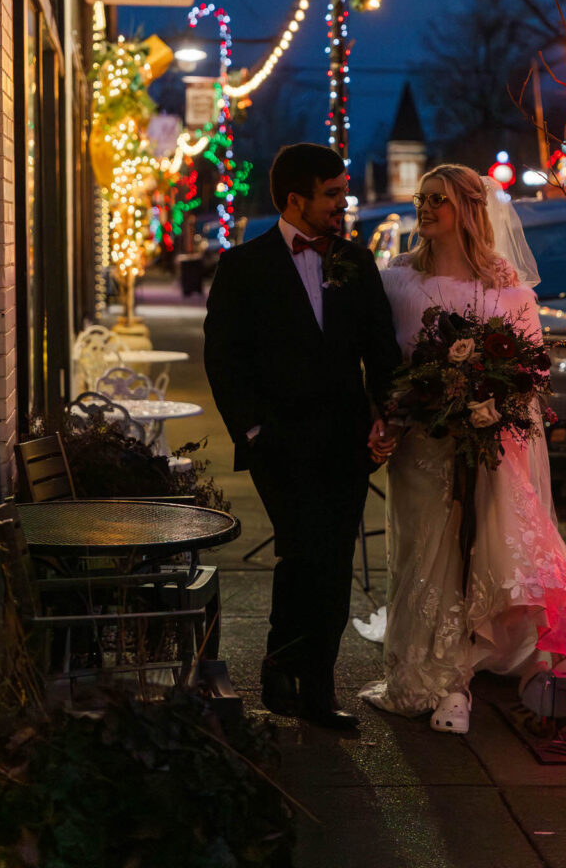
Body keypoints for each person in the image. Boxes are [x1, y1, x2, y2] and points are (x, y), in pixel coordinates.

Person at [359, 164, 566, 734]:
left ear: (469, 209)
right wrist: (388, 415)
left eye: (437, 200)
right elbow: (383, 365)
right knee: (425, 555)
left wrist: (489, 411)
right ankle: (430, 674)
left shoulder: (508, 290)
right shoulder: (395, 281)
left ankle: (469, 665)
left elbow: (528, 378)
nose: (425, 209)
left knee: (487, 556)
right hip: (422, 448)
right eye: (421, 199)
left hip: (489, 447)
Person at [204, 142, 401, 730]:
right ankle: (284, 665)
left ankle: (308, 682)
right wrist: (254, 429)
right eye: (333, 194)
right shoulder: (243, 266)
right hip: (279, 443)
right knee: (302, 550)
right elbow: (224, 359)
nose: (344, 204)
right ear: (297, 199)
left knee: (331, 560)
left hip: (345, 441)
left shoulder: (355, 261)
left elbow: (380, 349)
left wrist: (386, 415)